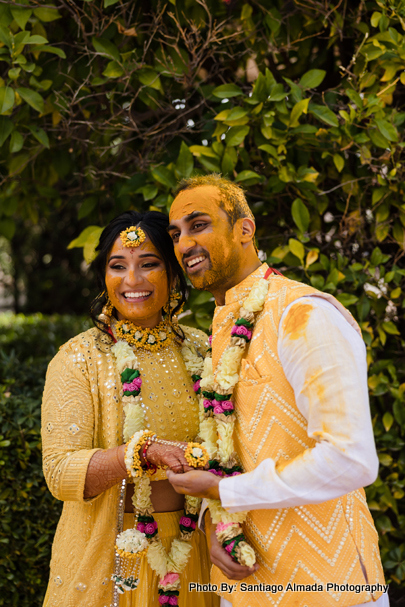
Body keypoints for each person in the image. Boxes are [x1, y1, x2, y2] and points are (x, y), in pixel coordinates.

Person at [166, 175, 389, 607]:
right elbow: (236, 448)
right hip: (242, 588)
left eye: (198, 225)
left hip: (331, 587)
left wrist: (223, 492)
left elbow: (351, 459)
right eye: (176, 234)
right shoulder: (219, 328)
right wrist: (218, 523)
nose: (183, 243)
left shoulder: (303, 313)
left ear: (244, 229)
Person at [41, 210, 219, 607]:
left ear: (172, 274)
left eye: (149, 264)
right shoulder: (79, 358)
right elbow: (59, 472)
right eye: (117, 266)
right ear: (104, 278)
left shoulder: (202, 348)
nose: (132, 281)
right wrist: (137, 454)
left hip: (198, 548)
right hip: (117, 552)